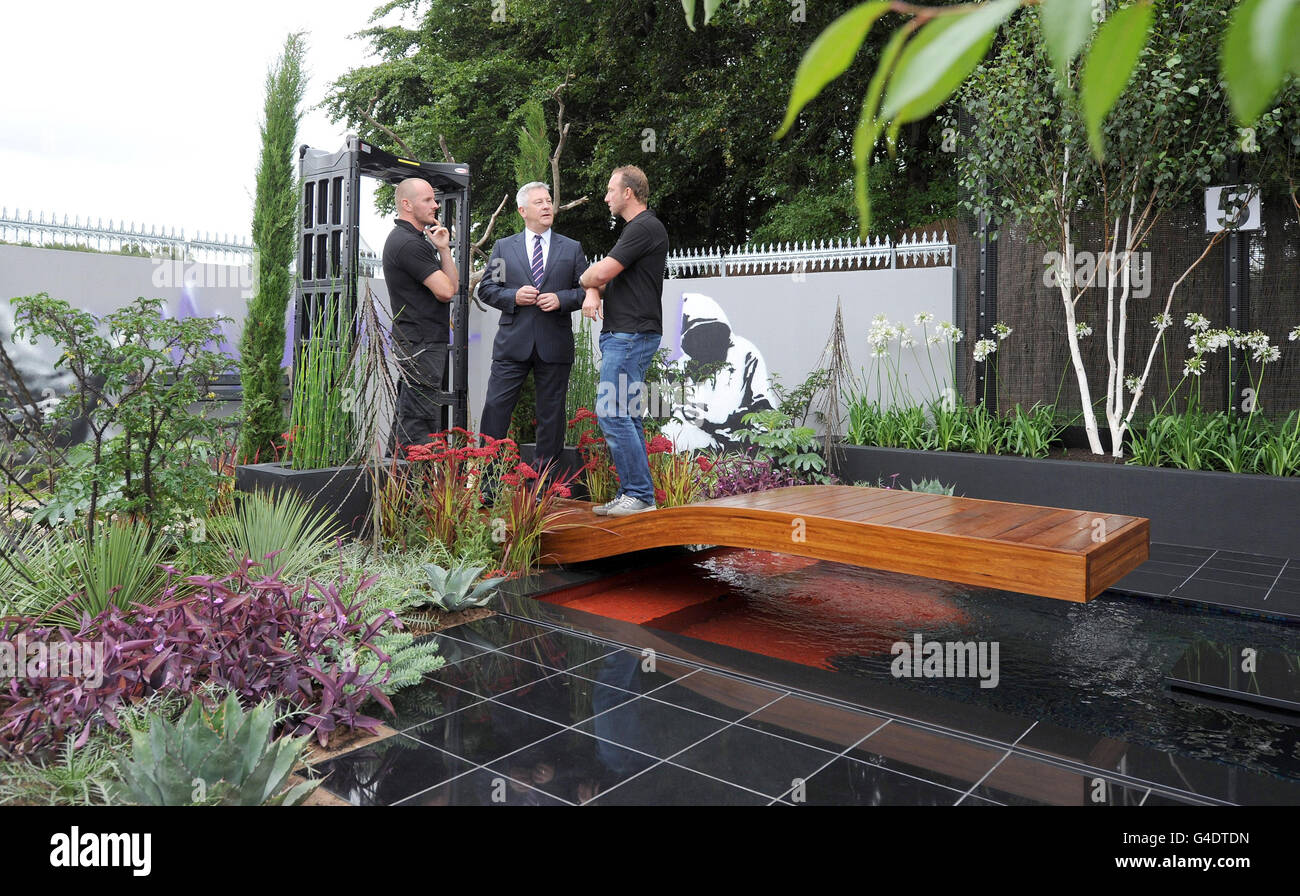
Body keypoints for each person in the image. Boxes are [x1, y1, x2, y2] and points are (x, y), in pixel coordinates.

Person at [477, 182, 590, 493]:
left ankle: (543, 485)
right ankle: (490, 483)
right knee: (496, 409)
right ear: (522, 211)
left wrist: (561, 300)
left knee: (551, 415)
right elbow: (487, 289)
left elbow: (586, 291)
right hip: (512, 344)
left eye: (549, 200)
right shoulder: (503, 247)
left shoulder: (571, 248)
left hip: (554, 343)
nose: (546, 206)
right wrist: (514, 295)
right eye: (539, 202)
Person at [578, 165, 670, 516]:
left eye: (610, 190)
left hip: (630, 334)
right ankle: (634, 492)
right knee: (626, 415)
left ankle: (640, 495)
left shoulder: (643, 227)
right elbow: (603, 281)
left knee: (612, 411)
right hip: (626, 333)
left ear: (628, 193)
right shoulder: (638, 230)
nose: (606, 197)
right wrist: (592, 289)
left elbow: (599, 273)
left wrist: (588, 282)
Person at [381, 177, 459, 449]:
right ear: (406, 204)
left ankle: (397, 485)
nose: (436, 205)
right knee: (420, 422)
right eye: (427, 200)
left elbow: (453, 286)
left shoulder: (415, 240)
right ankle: (417, 488)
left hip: (420, 342)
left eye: (434, 199)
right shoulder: (407, 243)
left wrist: (443, 250)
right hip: (420, 344)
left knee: (410, 417)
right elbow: (446, 291)